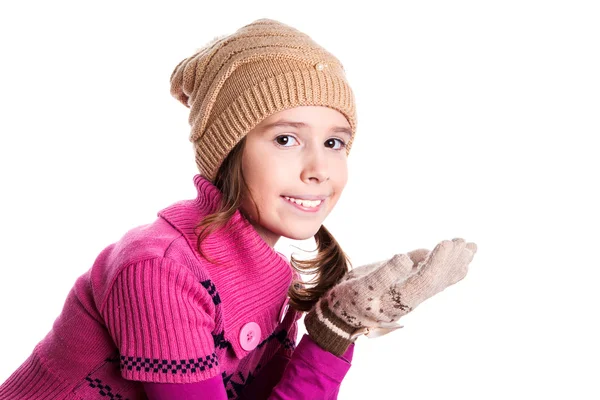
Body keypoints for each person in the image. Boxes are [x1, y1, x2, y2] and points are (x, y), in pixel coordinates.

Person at [0, 18, 477, 400]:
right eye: (286, 139)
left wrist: (337, 327)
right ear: (229, 150)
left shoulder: (266, 275)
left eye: (335, 142)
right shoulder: (159, 270)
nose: (319, 169)